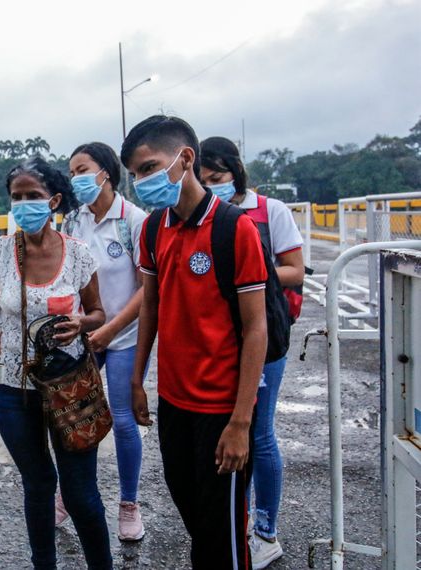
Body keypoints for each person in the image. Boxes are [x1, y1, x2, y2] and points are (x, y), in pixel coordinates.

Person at [123, 115, 268, 569]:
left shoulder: (233, 228)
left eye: (148, 168)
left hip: (222, 408)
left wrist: (241, 423)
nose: (141, 181)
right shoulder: (152, 229)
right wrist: (137, 378)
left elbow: (256, 329)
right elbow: (151, 305)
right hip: (175, 403)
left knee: (222, 534)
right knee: (193, 514)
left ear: (186, 159)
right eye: (134, 174)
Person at [0, 157, 111, 569]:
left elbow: (99, 313)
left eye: (32, 196)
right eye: (16, 197)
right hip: (13, 390)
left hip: (68, 387)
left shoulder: (78, 255)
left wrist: (81, 323)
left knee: (80, 492)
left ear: (52, 201)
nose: (23, 204)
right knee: (37, 484)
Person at [201, 136, 305, 569]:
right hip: (222, 340)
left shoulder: (269, 211)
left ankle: (266, 531)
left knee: (258, 433)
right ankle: (238, 519)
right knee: (226, 431)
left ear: (236, 172)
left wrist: (247, 274)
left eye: (218, 178)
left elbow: (296, 269)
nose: (212, 186)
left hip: (265, 335)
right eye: (204, 180)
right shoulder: (203, 215)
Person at [61, 142, 148, 541]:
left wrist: (111, 330)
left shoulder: (134, 221)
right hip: (84, 333)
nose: (76, 177)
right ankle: (69, 494)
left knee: (125, 422)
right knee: (74, 415)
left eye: (83, 169)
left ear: (106, 174)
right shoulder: (72, 223)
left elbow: (149, 289)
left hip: (125, 335)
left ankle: (129, 504)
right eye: (72, 171)